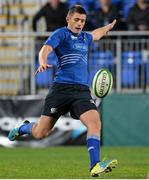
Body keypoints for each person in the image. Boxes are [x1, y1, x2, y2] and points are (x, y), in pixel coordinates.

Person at [8, 5, 118, 177]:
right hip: (61, 90)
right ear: (68, 19)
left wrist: (108, 27)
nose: (80, 23)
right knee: (40, 133)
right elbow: (45, 48)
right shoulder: (61, 34)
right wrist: (42, 61)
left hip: (81, 91)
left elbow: (96, 34)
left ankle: (95, 165)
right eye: (76, 19)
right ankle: (24, 128)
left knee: (95, 122)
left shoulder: (85, 38)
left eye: (82, 21)